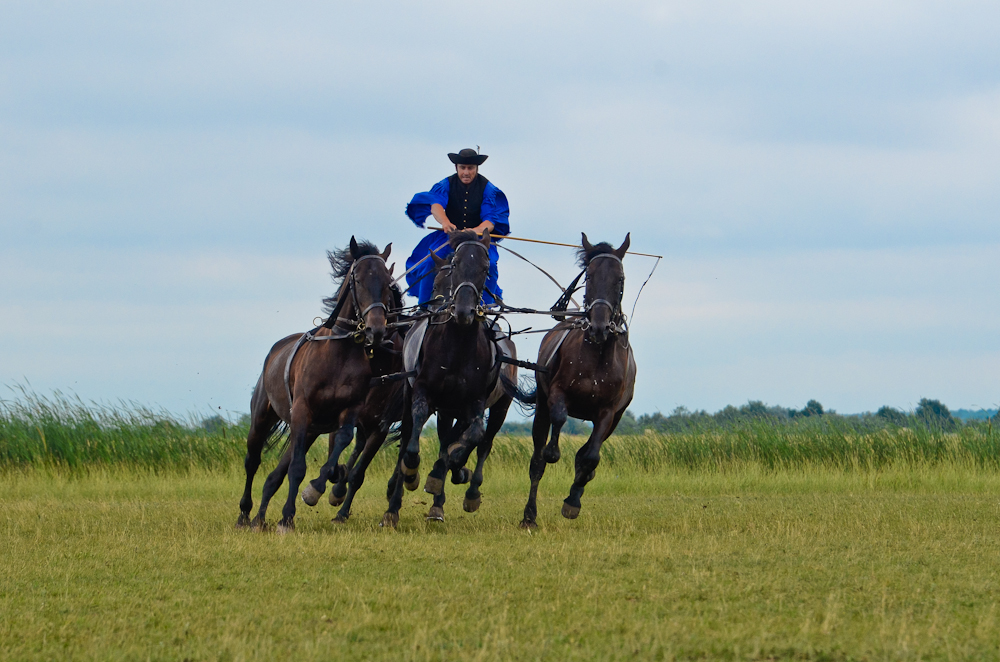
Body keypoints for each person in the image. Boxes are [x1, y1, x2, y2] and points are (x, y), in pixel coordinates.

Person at [404, 148, 510, 305]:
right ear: (456, 168)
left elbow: (490, 220)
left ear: (476, 168)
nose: (466, 172)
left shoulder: (489, 190)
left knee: (491, 265)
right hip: (449, 237)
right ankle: (424, 307)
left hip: (477, 239)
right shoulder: (445, 184)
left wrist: (475, 231)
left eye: (470, 168)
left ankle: (485, 307)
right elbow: (436, 205)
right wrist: (445, 222)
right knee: (429, 262)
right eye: (463, 168)